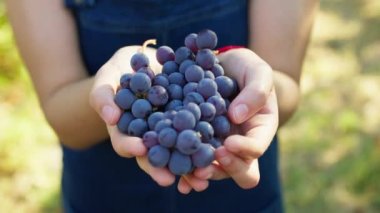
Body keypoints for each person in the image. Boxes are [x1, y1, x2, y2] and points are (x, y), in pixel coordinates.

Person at [5, 0, 318, 212]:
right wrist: (117, 91)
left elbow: (286, 87)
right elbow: (60, 110)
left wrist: (245, 79)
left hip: (237, 191)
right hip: (105, 196)